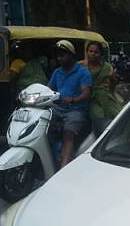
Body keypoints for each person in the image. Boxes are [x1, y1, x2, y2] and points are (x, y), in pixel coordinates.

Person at [48, 40, 92, 168]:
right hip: (58, 108)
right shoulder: (57, 72)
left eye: (63, 55)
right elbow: (49, 89)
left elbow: (86, 93)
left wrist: (73, 99)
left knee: (68, 132)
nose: (60, 58)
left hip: (76, 110)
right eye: (59, 56)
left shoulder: (83, 72)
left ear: (72, 55)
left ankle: (64, 166)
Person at [80, 41, 121, 122]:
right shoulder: (80, 66)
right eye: (90, 51)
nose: (93, 54)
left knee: (118, 116)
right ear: (87, 52)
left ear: (101, 54)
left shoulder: (107, 68)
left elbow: (113, 83)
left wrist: (111, 94)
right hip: (90, 99)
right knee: (99, 117)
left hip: (106, 97)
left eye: (96, 52)